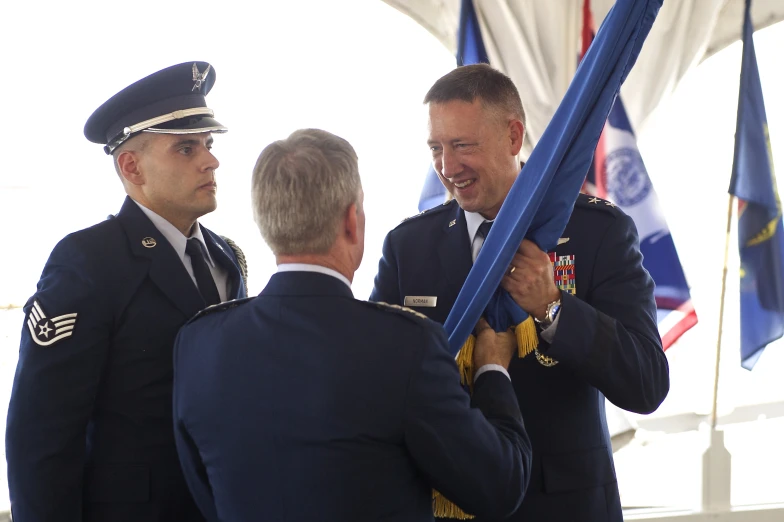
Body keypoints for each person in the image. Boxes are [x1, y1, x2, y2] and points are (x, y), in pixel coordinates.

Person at [172, 128, 532, 522]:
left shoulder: (198, 342)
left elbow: (203, 493)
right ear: (351, 221)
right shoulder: (404, 346)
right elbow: (499, 486)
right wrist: (493, 370)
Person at [370, 63, 670, 522]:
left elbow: (647, 383)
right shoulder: (408, 247)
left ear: (513, 137)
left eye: (462, 146)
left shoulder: (595, 232)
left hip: (562, 507)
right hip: (448, 504)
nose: (448, 168)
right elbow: (379, 388)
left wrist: (553, 308)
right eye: (436, 148)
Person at [6, 61, 247, 522]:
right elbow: (41, 434)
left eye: (209, 144)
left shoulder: (224, 258)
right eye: (185, 148)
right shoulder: (89, 262)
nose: (211, 160)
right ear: (131, 166)